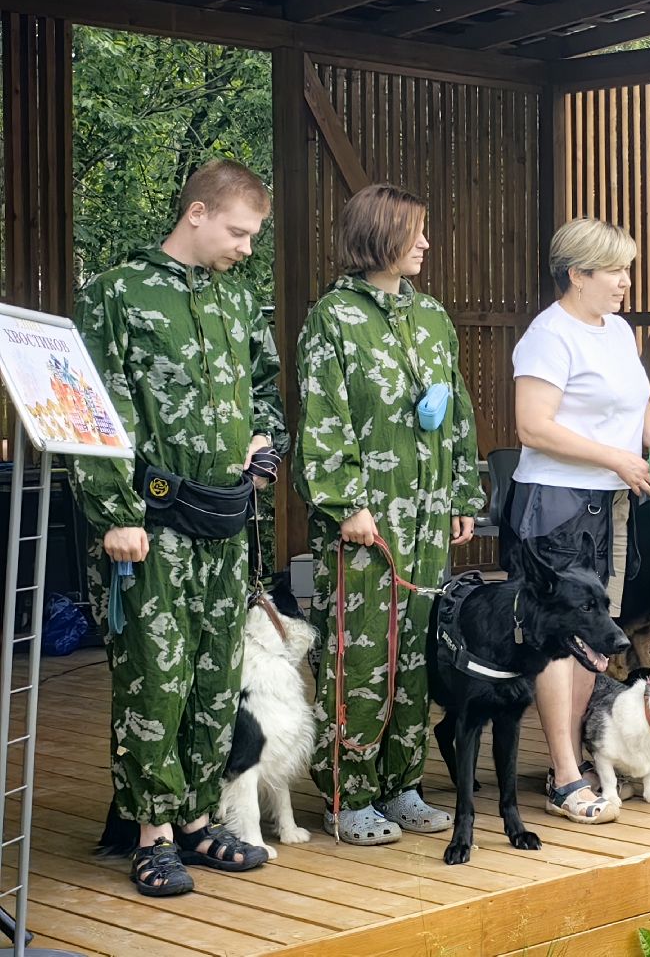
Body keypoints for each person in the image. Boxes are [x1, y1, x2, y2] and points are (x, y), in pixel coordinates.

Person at [72, 159, 288, 897]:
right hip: (150, 525)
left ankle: (196, 821)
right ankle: (151, 833)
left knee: (213, 678)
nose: (247, 248)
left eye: (254, 236)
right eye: (239, 232)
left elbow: (267, 386)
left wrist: (267, 441)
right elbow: (93, 408)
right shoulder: (117, 294)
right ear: (196, 213)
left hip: (224, 522)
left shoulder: (236, 300)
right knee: (153, 680)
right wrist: (115, 514)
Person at [295, 183, 483, 845]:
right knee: (360, 656)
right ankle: (346, 794)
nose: (426, 243)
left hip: (428, 521)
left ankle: (402, 783)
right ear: (379, 234)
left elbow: (455, 410)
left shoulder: (431, 316)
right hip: (365, 527)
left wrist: (464, 494)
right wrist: (347, 503)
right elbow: (323, 419)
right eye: (416, 231)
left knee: (415, 658)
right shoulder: (334, 319)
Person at [510, 218, 650, 824]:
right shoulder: (547, 337)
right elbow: (533, 426)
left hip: (604, 500)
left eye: (626, 269)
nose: (626, 282)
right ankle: (563, 774)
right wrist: (618, 459)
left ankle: (580, 760)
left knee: (596, 638)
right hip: (553, 506)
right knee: (560, 640)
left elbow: (641, 406)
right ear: (577, 274)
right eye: (615, 271)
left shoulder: (618, 332)